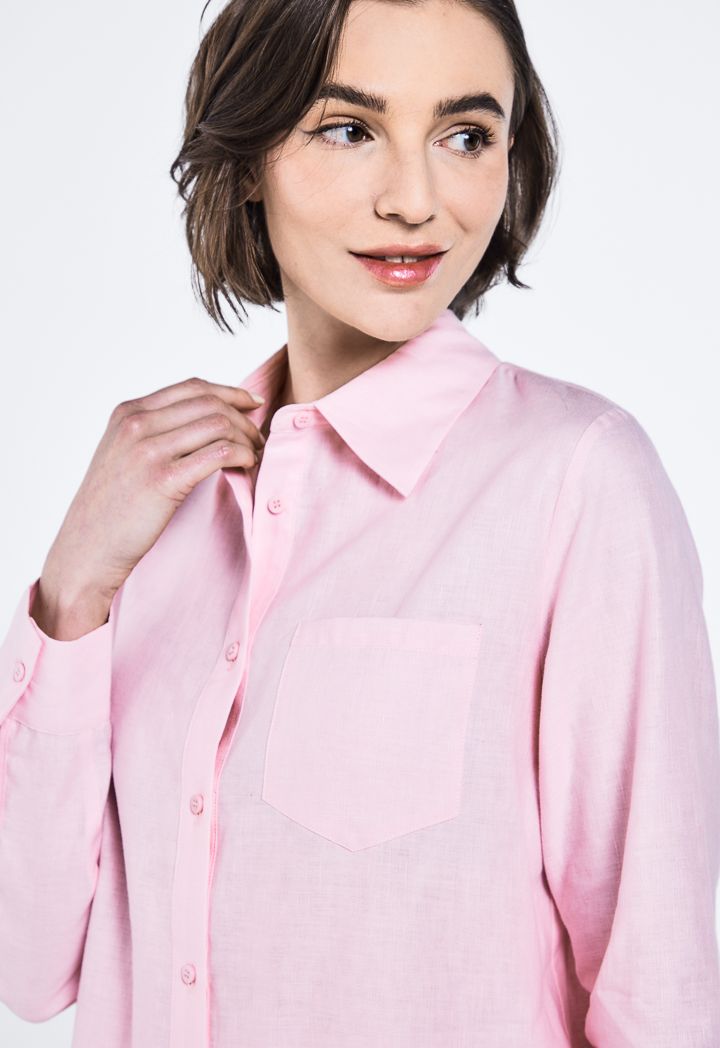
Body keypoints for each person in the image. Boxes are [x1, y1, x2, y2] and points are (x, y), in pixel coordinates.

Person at [1, 0, 718, 1045]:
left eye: (464, 136)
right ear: (249, 156)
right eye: (349, 128)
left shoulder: (578, 482)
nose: (415, 200)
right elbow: (27, 964)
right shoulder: (162, 507)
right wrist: (72, 591)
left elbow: (659, 989)